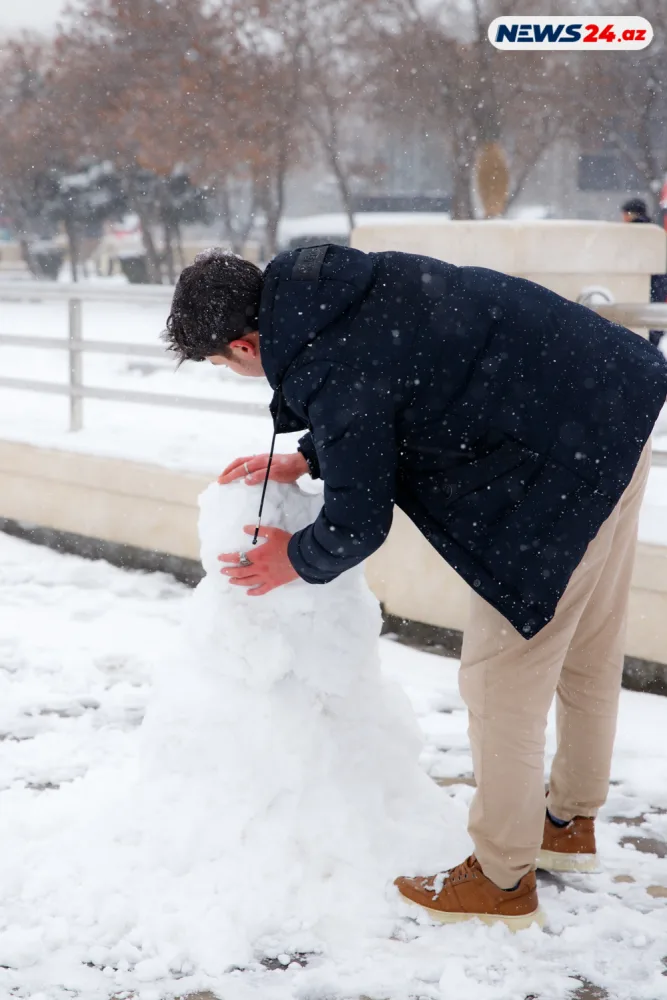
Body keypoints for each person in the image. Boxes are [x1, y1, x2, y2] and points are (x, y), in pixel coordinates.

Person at [164, 244, 667, 930]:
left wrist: (294, 559)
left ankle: (500, 878)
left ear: (246, 343)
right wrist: (311, 454)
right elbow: (401, 376)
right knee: (586, 643)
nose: (234, 374)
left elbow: (356, 522)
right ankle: (568, 824)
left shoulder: (329, 364)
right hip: (611, 398)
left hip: (560, 461)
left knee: (500, 681)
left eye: (225, 364)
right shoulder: (323, 287)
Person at [620, 198, 666, 348]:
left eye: (625, 214)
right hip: (659, 278)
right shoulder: (653, 229)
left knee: (641, 318)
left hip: (648, 280)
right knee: (653, 319)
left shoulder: (635, 230)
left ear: (631, 213)